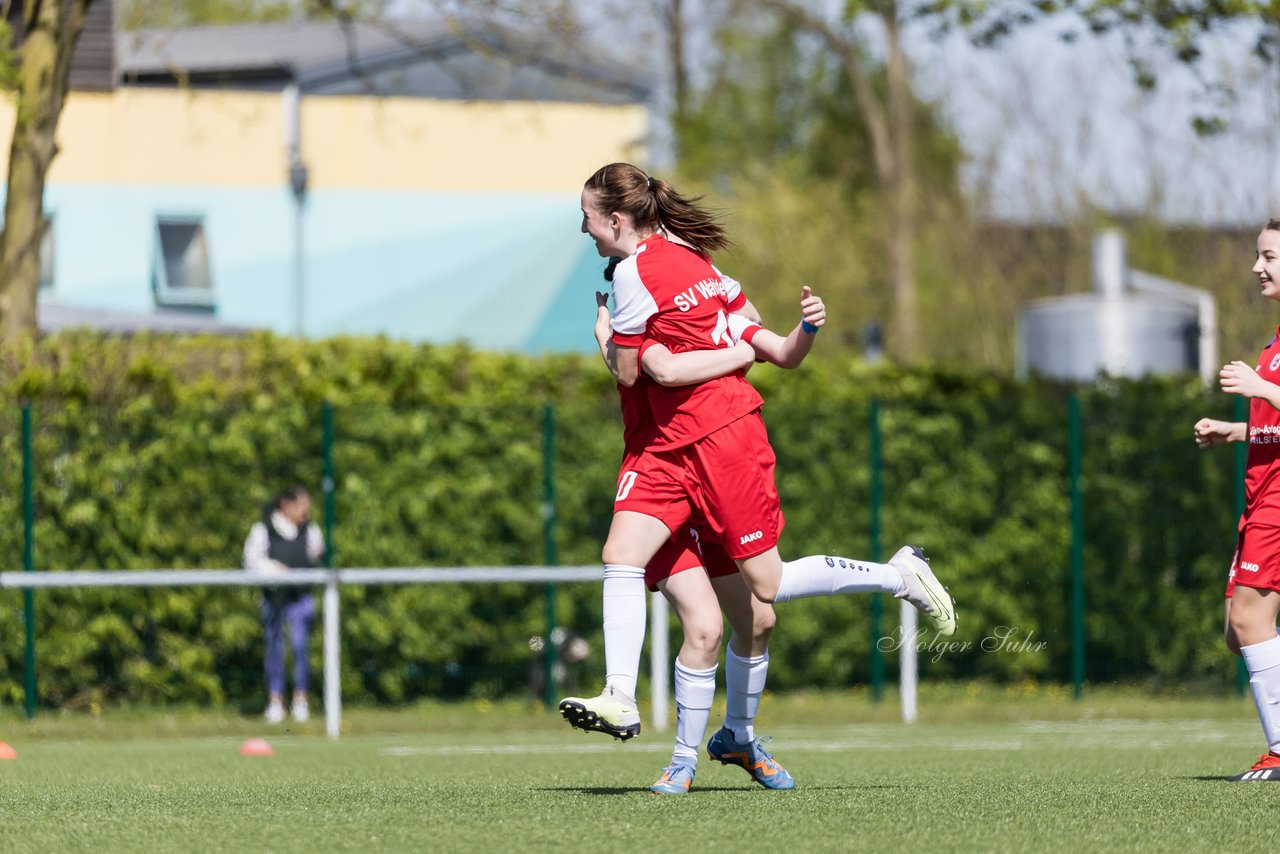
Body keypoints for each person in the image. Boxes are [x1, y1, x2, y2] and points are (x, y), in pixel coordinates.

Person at [562, 163, 956, 750]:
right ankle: (623, 697)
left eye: (588, 220)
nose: (585, 231)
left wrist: (611, 338)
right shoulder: (693, 259)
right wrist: (779, 338)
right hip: (666, 450)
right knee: (623, 554)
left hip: (720, 438)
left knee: (765, 590)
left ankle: (899, 575)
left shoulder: (636, 273)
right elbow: (757, 335)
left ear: (616, 219)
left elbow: (647, 368)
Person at [571, 263, 807, 794]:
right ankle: (674, 754)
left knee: (760, 619)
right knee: (701, 626)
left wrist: (745, 328)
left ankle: (740, 739)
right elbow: (660, 369)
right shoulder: (643, 336)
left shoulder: (684, 310)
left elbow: (749, 317)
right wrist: (745, 351)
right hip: (662, 481)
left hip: (708, 475)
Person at [1194, 218, 1280, 782]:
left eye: (1269, 257)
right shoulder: (1275, 343)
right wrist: (1237, 429)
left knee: (1251, 619)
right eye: (1258, 255)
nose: (1257, 267)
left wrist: (1262, 389)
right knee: (1237, 628)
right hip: (1261, 496)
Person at [242, 485, 325, 724]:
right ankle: (275, 702)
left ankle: (300, 701)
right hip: (274, 599)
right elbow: (251, 562)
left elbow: (316, 557)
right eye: (301, 506)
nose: (305, 512)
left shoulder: (311, 530)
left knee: (300, 647)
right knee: (274, 650)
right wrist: (275, 570)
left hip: (301, 597)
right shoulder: (263, 530)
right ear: (286, 505)